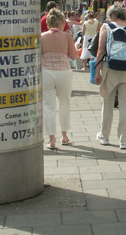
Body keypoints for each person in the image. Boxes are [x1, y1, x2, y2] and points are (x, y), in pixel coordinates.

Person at [94, 4, 126, 149]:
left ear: (112, 15)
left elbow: (101, 50)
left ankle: (104, 136)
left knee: (107, 104)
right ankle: (124, 140)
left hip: (110, 69)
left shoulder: (106, 27)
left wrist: (97, 71)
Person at [41, 8, 79, 149]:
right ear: (61, 22)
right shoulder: (66, 36)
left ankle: (51, 139)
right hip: (63, 70)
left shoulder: (42, 36)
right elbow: (73, 56)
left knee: (49, 106)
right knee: (64, 103)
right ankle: (64, 135)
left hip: (46, 72)